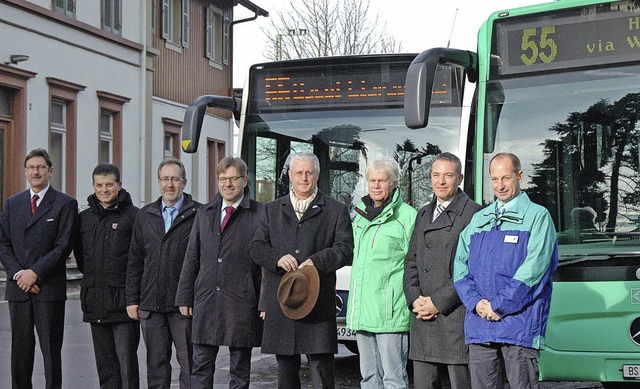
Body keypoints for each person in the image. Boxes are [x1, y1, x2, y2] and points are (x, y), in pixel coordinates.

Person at [453, 152, 558, 389]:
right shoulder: (480, 219)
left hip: (519, 326)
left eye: (506, 178)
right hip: (481, 325)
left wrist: (500, 305)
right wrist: (476, 303)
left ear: (520, 176)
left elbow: (535, 270)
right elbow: (459, 268)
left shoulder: (537, 217)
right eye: (494, 179)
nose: (499, 186)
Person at [250, 152, 353, 389]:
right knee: (286, 370)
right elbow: (256, 247)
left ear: (317, 175)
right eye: (299, 172)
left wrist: (316, 262)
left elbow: (345, 249)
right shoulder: (271, 210)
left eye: (309, 173)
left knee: (321, 370)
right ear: (290, 175)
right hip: (284, 300)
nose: (304, 178)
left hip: (317, 302)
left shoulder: (336, 210)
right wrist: (276, 259)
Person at [175, 157, 264, 389]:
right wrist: (184, 296)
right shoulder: (205, 213)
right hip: (206, 301)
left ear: (244, 180)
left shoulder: (260, 214)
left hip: (242, 302)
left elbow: (265, 263)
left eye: (233, 178)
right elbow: (192, 256)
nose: (227, 184)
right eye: (222, 179)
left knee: (239, 371)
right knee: (200, 368)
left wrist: (264, 301)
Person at [0, 148, 78, 389]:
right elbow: (3, 243)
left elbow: (63, 245)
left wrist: (35, 273)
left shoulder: (65, 204)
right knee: (20, 353)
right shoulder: (13, 204)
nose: (36, 171)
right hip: (19, 289)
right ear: (25, 171)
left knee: (51, 352)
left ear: (50, 171)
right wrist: (19, 274)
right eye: (31, 167)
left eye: (41, 167)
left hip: (48, 288)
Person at [404, 152, 482, 389]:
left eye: (448, 175)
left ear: (459, 178)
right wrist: (415, 299)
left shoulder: (474, 214)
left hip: (454, 316)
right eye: (436, 175)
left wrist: (438, 302)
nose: (441, 181)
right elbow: (411, 261)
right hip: (422, 317)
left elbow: (473, 270)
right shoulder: (423, 213)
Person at [126, 157, 201, 389]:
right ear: (159, 182)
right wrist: (132, 300)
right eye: (165, 179)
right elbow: (135, 260)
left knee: (190, 364)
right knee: (156, 366)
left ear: (184, 182)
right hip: (151, 304)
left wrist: (191, 297)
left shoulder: (199, 214)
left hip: (184, 306)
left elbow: (202, 262)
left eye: (175, 179)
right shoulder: (145, 215)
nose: (170, 184)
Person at [346, 157, 417, 388]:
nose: (376, 185)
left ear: (394, 183)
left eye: (382, 180)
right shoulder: (360, 216)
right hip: (363, 311)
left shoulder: (406, 217)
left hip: (390, 313)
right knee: (369, 378)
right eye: (372, 180)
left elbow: (414, 263)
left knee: (393, 379)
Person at [74, 163, 140, 389]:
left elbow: (138, 260)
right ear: (93, 186)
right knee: (105, 367)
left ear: (119, 185)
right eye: (99, 185)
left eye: (109, 185)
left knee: (126, 367)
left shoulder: (134, 217)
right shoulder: (85, 218)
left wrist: (133, 298)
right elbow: (82, 258)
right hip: (95, 301)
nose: (104, 189)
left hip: (123, 304)